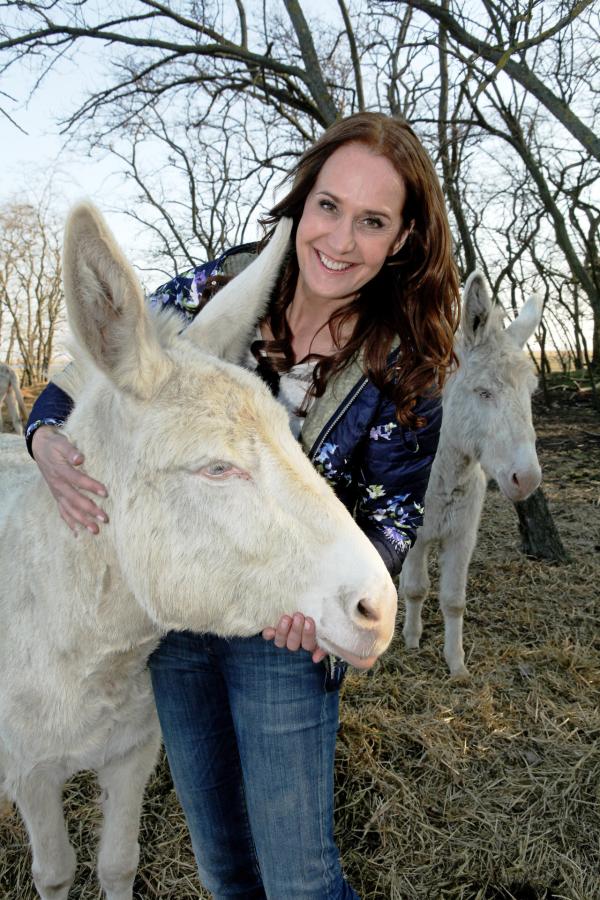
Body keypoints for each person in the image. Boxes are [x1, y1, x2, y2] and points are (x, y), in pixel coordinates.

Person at [27, 112, 460, 899]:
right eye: (328, 207)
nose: (340, 238)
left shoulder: (403, 363)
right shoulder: (224, 288)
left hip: (288, 633)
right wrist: (41, 435)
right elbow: (96, 366)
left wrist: (357, 590)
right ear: (303, 206)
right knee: (224, 867)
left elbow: (395, 513)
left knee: (299, 878)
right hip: (186, 622)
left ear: (400, 239)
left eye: (372, 221)